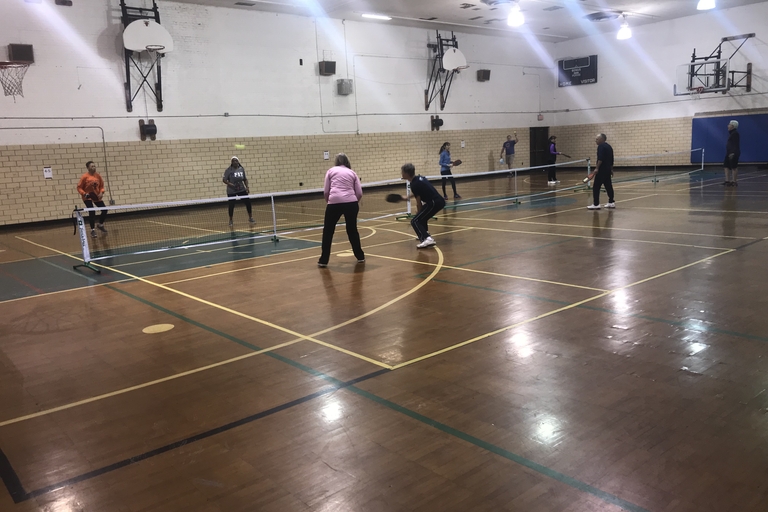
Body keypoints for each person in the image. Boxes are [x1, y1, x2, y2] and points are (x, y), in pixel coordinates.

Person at [317, 153, 365, 267]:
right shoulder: (352, 172)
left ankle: (324, 260)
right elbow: (359, 192)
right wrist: (353, 201)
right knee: (352, 230)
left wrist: (330, 201)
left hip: (334, 202)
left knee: (328, 231)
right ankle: (360, 256)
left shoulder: (330, 171)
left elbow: (326, 191)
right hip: (351, 203)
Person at [401, 163, 445, 248]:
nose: (401, 173)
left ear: (406, 173)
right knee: (422, 217)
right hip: (438, 201)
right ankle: (425, 233)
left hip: (433, 203)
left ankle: (427, 239)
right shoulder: (419, 178)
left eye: (402, 172)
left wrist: (419, 211)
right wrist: (408, 197)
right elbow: (420, 191)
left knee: (415, 221)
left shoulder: (414, 184)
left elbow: (419, 202)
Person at [77, 160, 108, 238]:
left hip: (96, 196)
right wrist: (84, 194)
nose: (94, 168)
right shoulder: (84, 177)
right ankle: (92, 230)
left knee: (104, 209)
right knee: (92, 211)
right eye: (92, 166)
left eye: (94, 166)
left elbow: (101, 186)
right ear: (88, 168)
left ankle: (100, 225)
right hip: (87, 197)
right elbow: (79, 187)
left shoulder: (98, 176)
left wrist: (101, 192)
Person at [586, 133, 615, 210]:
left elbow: (600, 158)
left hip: (602, 170)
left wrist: (597, 168)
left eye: (597, 139)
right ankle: (611, 202)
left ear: (602, 139)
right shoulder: (609, 147)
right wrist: (611, 169)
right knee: (608, 186)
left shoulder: (601, 147)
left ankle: (596, 204)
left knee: (596, 187)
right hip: (607, 169)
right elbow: (612, 159)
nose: (596, 141)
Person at [222, 156, 254, 227]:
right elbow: (224, 180)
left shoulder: (241, 169)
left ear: (238, 161)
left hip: (241, 189)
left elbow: (245, 179)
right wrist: (229, 183)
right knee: (231, 205)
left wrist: (247, 187)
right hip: (232, 190)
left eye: (236, 161)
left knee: (248, 202)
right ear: (231, 162)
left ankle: (250, 217)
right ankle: (230, 220)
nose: (235, 162)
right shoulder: (228, 170)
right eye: (233, 161)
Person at [723, 120, 740, 187]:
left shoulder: (735, 133)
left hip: (733, 153)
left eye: (729, 124)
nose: (728, 125)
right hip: (729, 152)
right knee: (726, 166)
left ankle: (734, 181)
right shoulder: (731, 133)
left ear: (733, 126)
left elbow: (735, 144)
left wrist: (733, 152)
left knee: (734, 167)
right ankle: (727, 181)